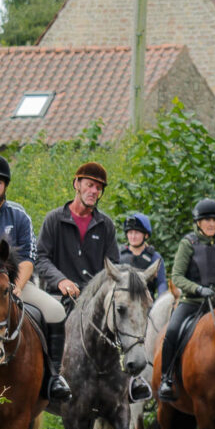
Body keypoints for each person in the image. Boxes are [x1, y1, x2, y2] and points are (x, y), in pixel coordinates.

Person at [35, 162, 125, 401]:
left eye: (99, 188)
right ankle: (48, 379)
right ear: (76, 184)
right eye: (89, 185)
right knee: (40, 329)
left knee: (126, 321)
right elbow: (41, 258)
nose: (94, 191)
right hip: (59, 296)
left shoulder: (106, 225)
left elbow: (113, 265)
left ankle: (131, 381)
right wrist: (61, 280)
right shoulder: (54, 219)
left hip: (94, 299)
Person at [0, 153, 73, 401]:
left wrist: (17, 287)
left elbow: (28, 258)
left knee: (56, 311)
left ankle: (53, 377)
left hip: (14, 284)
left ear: (5, 186)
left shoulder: (18, 216)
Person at [157, 198, 215, 402]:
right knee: (172, 331)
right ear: (198, 222)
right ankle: (166, 378)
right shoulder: (188, 243)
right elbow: (177, 276)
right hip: (192, 302)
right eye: (207, 220)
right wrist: (198, 289)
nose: (211, 224)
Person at [118, 212, 168, 298]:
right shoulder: (118, 255)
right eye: (130, 232)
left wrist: (162, 299)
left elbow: (161, 283)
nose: (133, 236)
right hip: (122, 301)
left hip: (145, 301)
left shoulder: (155, 258)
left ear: (146, 235)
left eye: (137, 233)